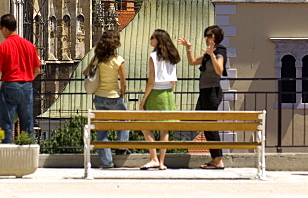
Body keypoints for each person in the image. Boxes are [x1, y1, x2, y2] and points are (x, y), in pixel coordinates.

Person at [0, 13, 41, 143]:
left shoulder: (1, 47)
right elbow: (37, 70)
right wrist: (26, 78)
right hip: (26, 86)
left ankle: (7, 153)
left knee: (7, 122)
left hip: (10, 85)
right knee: (27, 122)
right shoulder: (29, 45)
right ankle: (28, 152)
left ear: (4, 28)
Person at [179, 24, 227, 169]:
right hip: (205, 91)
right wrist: (188, 48)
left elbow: (219, 70)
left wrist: (212, 55)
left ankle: (218, 159)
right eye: (206, 35)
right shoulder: (208, 53)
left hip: (212, 91)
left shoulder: (220, 51)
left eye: (210, 35)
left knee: (211, 125)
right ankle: (215, 158)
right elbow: (192, 62)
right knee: (204, 124)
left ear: (216, 37)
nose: (207, 38)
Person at [83, 29, 129, 169]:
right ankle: (121, 145)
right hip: (114, 96)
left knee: (102, 131)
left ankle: (106, 162)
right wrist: (122, 93)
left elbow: (85, 72)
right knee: (125, 119)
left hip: (99, 97)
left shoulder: (97, 59)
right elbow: (123, 82)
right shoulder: (118, 60)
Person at [139, 28, 180, 170]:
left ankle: (153, 158)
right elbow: (173, 80)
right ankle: (162, 162)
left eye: (152, 37)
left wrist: (143, 99)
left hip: (155, 93)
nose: (150, 40)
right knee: (165, 129)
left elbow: (151, 80)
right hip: (168, 93)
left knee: (145, 127)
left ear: (158, 40)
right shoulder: (173, 56)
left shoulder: (153, 56)